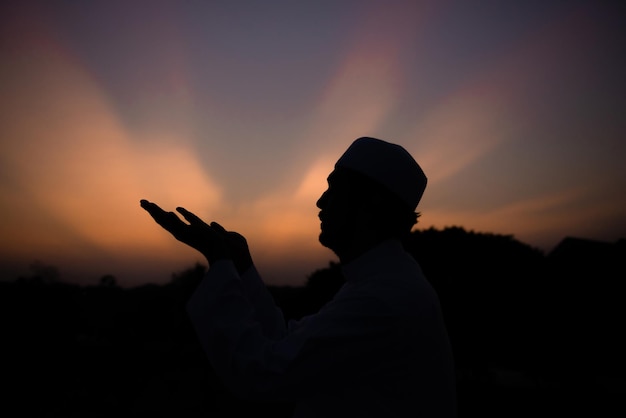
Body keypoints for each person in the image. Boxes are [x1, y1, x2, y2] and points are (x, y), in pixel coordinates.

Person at [140, 137, 457, 417]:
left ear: (370, 204)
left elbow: (262, 374)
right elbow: (286, 345)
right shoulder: (382, 284)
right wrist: (241, 265)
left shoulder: (385, 298)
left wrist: (220, 262)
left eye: (334, 188)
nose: (320, 202)